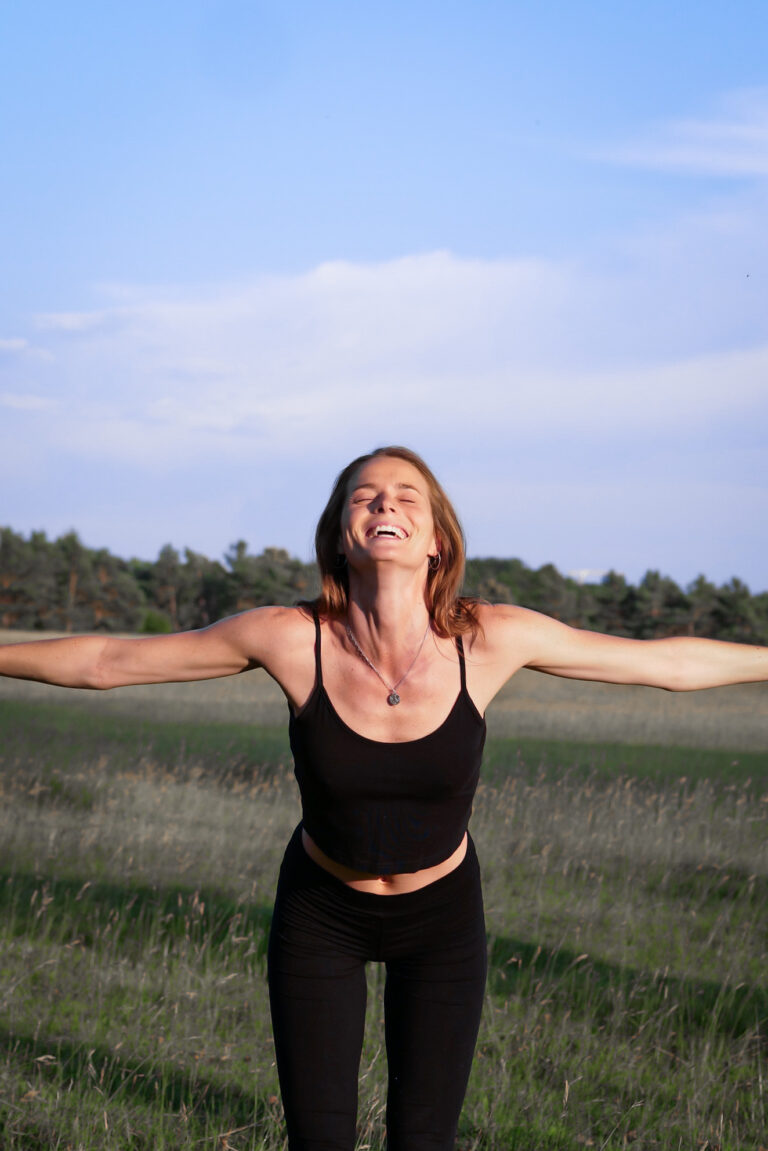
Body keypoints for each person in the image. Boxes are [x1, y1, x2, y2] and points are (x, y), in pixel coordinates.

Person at [1, 445, 767, 1151]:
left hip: (441, 920)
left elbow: (664, 664)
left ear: (437, 538)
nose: (383, 504)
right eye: (362, 497)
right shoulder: (290, 636)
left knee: (424, 1140)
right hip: (321, 911)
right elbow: (107, 658)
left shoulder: (490, 638)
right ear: (340, 535)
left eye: (405, 495)